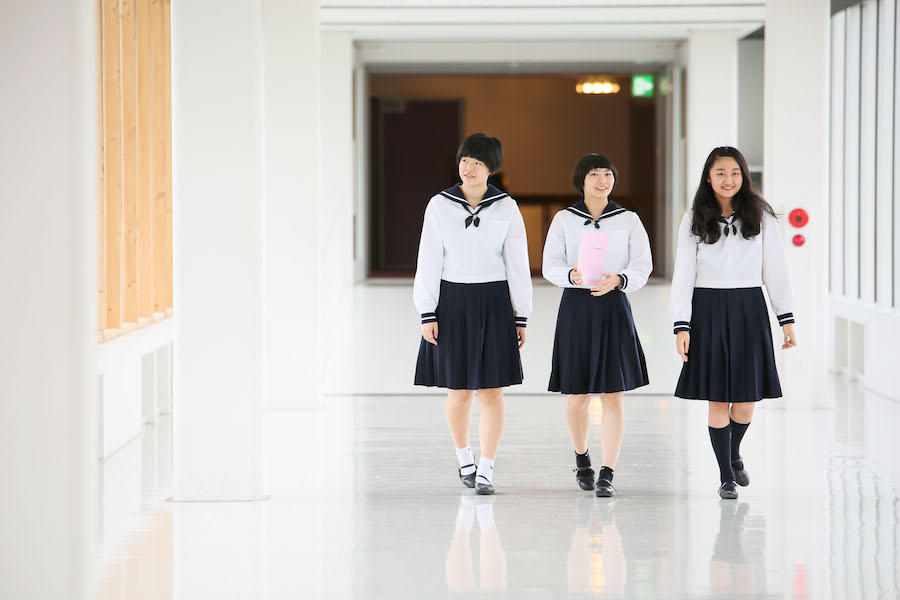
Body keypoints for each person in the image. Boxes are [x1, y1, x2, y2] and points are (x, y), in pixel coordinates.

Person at [670, 146, 797, 500]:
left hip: (748, 309)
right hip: (707, 309)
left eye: (735, 173)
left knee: (744, 401)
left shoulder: (762, 217)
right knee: (717, 399)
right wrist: (682, 324)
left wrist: (786, 318)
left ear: (744, 176)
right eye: (721, 173)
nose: (729, 180)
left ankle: (733, 452)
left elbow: (776, 269)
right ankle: (726, 475)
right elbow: (683, 273)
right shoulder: (694, 217)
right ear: (708, 178)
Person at [413, 133, 532, 496]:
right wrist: (427, 312)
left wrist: (520, 314)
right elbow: (429, 259)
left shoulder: (507, 207)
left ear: (491, 168)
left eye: (478, 162)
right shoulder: (439, 205)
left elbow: (517, 263)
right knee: (460, 392)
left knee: (492, 392)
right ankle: (464, 456)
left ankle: (487, 468)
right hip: (452, 301)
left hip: (494, 301)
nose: (469, 168)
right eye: (465, 160)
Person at [543, 153, 652, 497]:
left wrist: (619, 279)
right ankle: (581, 457)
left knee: (612, 395)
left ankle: (608, 471)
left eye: (608, 174)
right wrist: (571, 276)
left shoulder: (629, 219)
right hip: (576, 306)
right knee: (577, 397)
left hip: (613, 306)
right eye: (595, 174)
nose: (603, 180)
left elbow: (643, 265)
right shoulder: (564, 219)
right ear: (582, 180)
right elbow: (550, 264)